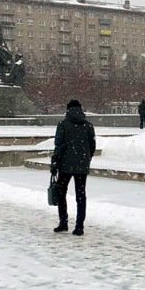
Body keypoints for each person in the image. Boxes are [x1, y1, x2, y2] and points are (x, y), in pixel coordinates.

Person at [51, 99, 96, 236]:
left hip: (65, 165)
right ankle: (79, 226)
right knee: (81, 195)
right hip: (82, 165)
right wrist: (85, 159)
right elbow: (92, 147)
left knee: (61, 192)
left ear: (68, 109)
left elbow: (58, 145)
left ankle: (63, 222)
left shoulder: (63, 125)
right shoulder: (88, 126)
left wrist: (55, 162)